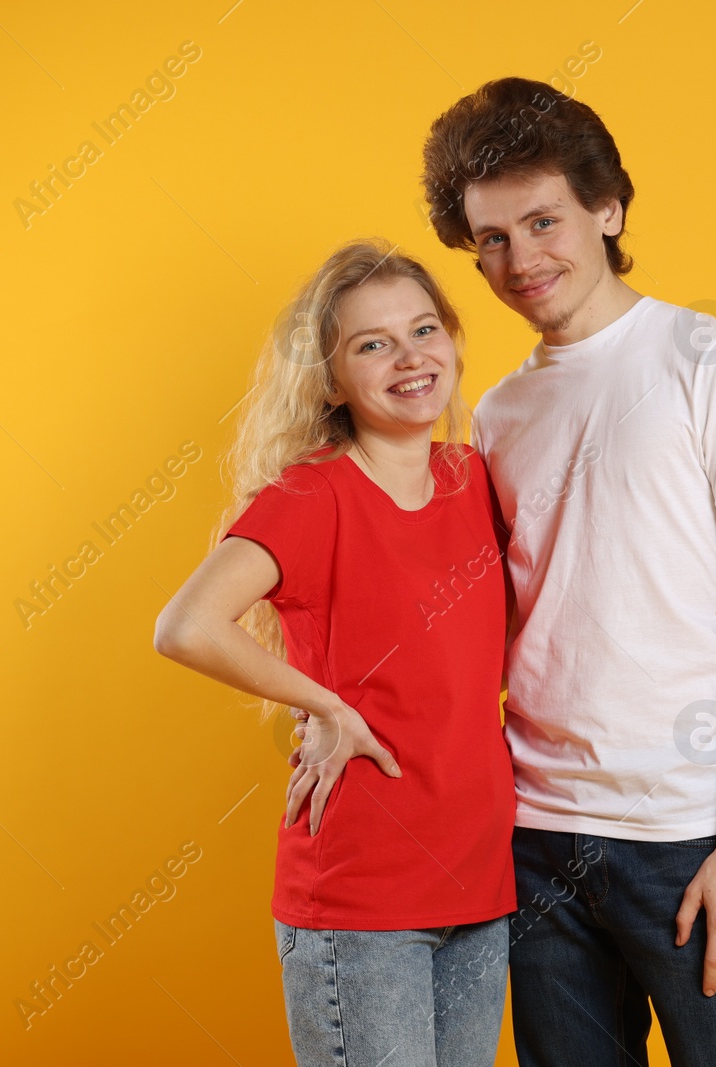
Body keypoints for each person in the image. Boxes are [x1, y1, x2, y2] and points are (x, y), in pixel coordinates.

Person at [419, 78, 716, 1066]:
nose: (518, 259)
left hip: (685, 829)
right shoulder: (499, 414)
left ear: (607, 207)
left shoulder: (708, 359)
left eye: (541, 220)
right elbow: (509, 618)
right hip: (536, 834)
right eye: (490, 239)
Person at [152, 239, 517, 1067]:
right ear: (330, 378)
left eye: (424, 329)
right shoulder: (313, 496)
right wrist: (327, 705)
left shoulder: (475, 479)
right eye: (372, 344)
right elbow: (186, 624)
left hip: (483, 882)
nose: (410, 357)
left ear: (455, 342)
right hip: (362, 895)